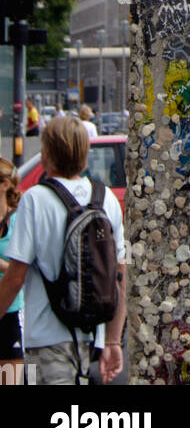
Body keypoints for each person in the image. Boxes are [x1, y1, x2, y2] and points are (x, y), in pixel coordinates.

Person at [0, 116, 126, 385]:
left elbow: (14, 278)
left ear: (45, 155)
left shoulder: (35, 199)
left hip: (44, 342)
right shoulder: (106, 199)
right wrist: (113, 341)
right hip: (94, 340)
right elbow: (120, 277)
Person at [0, 159, 25, 383]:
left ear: (5, 185)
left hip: (11, 314)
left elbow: (24, 272)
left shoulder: (19, 220)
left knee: (12, 380)